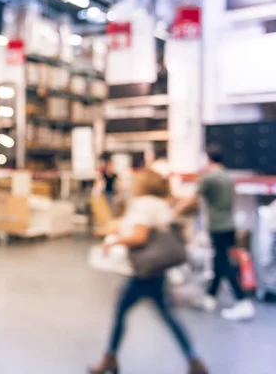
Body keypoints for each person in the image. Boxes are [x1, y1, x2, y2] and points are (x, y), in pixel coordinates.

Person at [90, 168, 208, 374]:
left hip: (142, 272)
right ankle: (193, 359)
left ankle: (109, 358)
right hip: (157, 271)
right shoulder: (161, 205)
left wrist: (113, 240)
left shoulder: (142, 205)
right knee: (168, 316)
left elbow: (139, 236)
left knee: (120, 313)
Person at [174, 145, 255, 321]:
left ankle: (243, 301)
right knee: (219, 262)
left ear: (208, 158)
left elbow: (192, 199)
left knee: (223, 263)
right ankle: (210, 298)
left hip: (217, 226)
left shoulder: (208, 178)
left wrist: (172, 212)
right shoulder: (227, 176)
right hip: (229, 225)